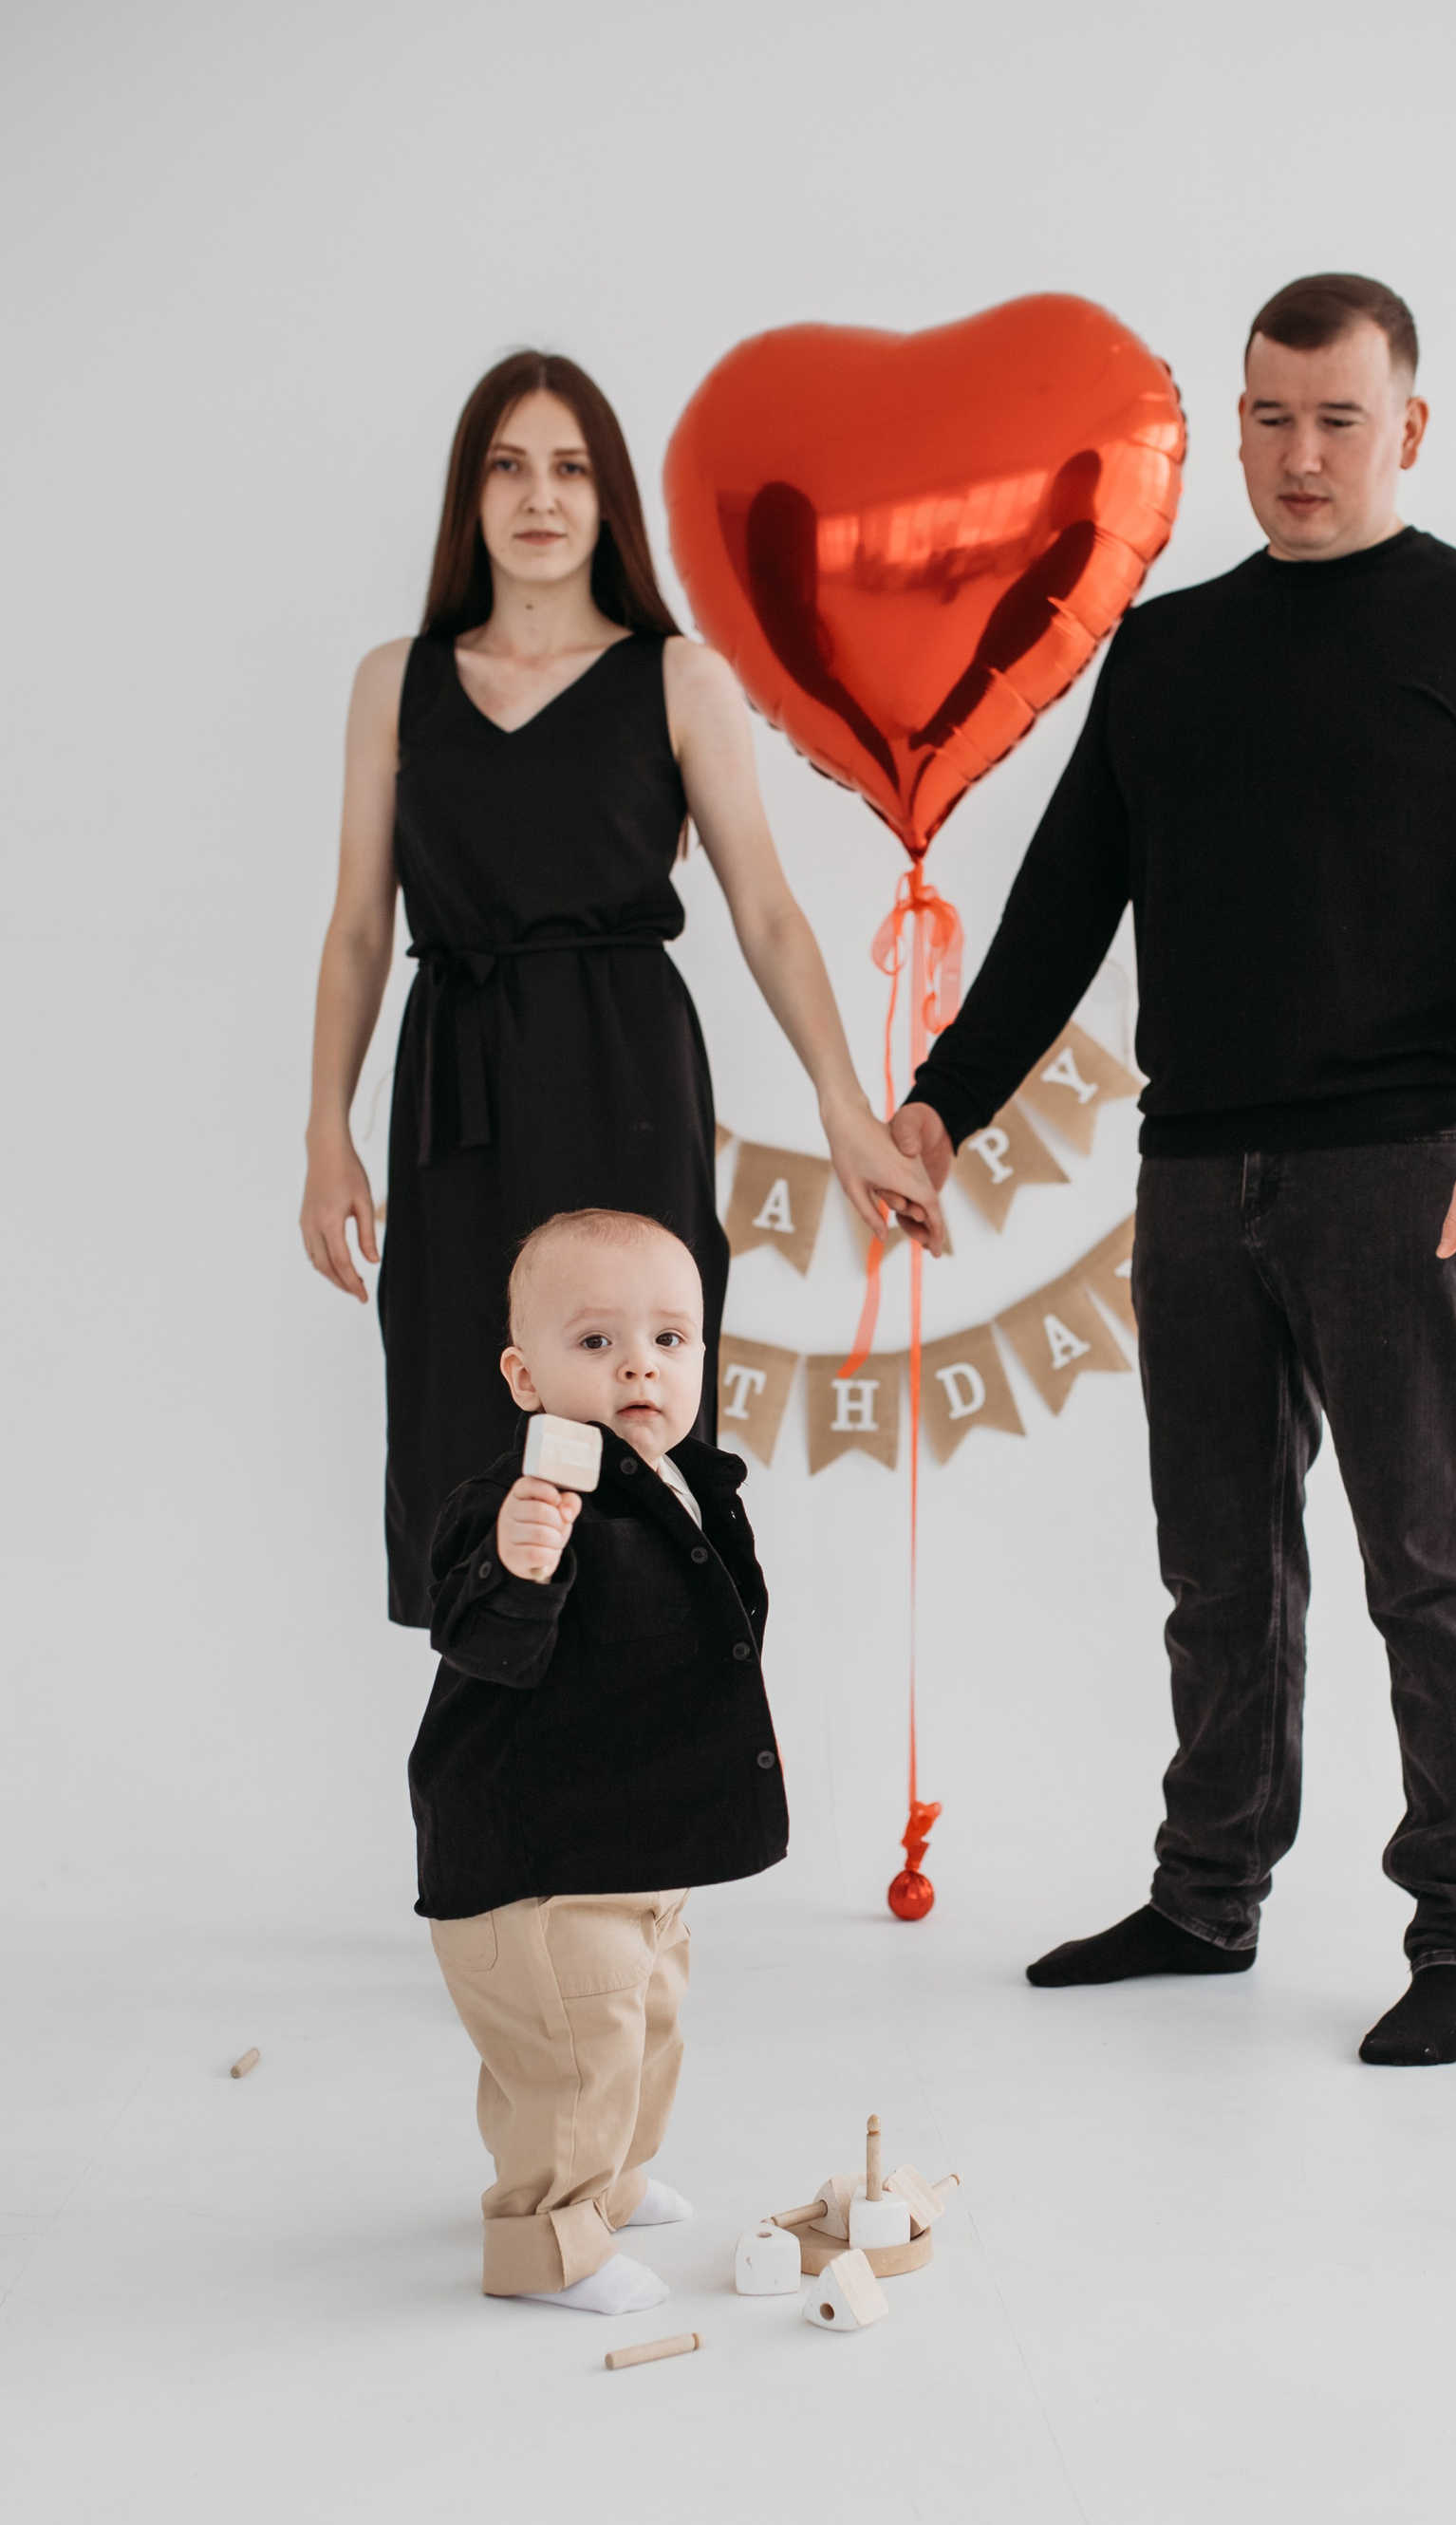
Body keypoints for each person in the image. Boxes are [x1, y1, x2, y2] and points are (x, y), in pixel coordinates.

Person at [890, 274, 1456, 2067]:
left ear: (1406, 428)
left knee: (1431, 1565)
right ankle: (1207, 1895)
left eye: (1338, 420)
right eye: (1271, 419)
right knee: (1217, 1568)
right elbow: (1064, 905)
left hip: (1414, 1171)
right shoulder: (1169, 651)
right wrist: (940, 1109)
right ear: (1235, 427)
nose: (1301, 455)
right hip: (1201, 1176)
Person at [301, 350, 941, 1626]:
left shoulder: (677, 677)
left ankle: (652, 1711)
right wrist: (327, 1132)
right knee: (459, 1408)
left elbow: (766, 910)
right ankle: (490, 1716)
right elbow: (361, 926)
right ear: (470, 493)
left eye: (571, 468)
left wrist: (843, 1105)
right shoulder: (394, 682)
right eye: (508, 466)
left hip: (623, 1070)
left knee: (638, 1397)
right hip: (455, 1091)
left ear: (609, 499)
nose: (540, 497)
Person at [410, 1206, 784, 2313]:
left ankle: (610, 2185)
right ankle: (546, 2245)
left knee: (644, 2029)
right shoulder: (519, 1505)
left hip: (640, 1843)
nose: (639, 1366)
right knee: (572, 2056)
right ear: (525, 1376)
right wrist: (516, 1568)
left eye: (669, 1339)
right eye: (595, 1342)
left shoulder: (688, 1485)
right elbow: (479, 1638)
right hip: (540, 1857)